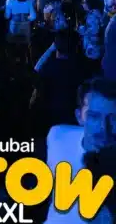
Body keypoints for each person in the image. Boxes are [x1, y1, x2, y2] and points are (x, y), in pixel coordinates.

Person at [44, 77, 116, 224]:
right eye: (94, 116)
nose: (104, 127)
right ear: (79, 117)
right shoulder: (57, 135)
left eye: (114, 118)